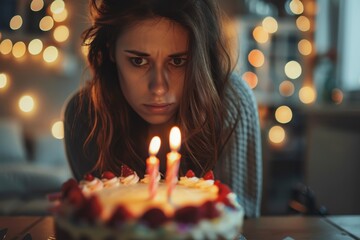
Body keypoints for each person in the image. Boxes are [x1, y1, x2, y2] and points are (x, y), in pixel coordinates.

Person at [64, 0, 262, 217]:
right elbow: (98, 225)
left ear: (200, 57)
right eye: (138, 61)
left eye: (177, 61)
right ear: (111, 50)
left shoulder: (230, 101)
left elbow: (239, 220)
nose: (158, 87)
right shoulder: (84, 115)